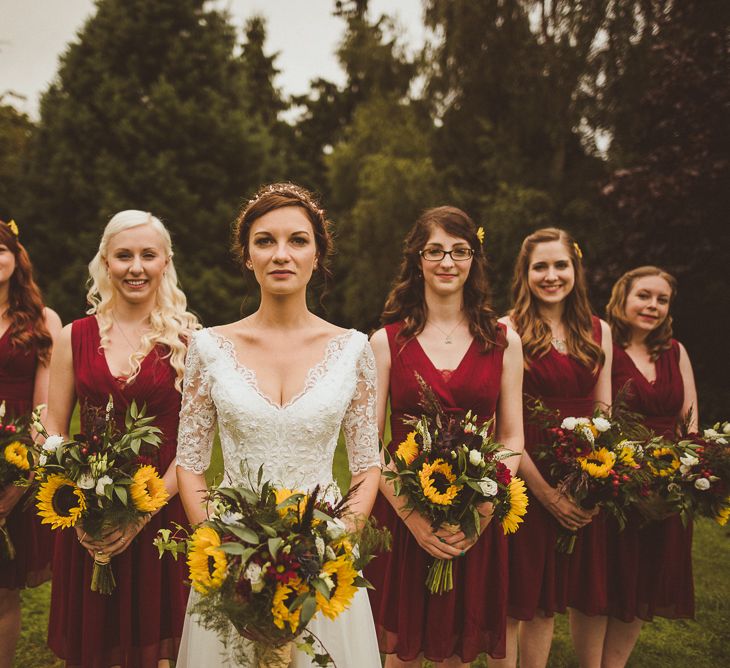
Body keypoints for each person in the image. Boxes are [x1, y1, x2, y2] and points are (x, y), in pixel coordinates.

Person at [174, 183, 382, 667]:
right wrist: (222, 553)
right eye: (265, 241)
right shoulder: (208, 348)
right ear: (247, 256)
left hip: (323, 557)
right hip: (233, 557)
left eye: (298, 240)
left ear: (317, 255)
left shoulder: (354, 349)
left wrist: (331, 549)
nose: (281, 254)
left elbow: (368, 466)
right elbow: (189, 463)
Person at [366, 206, 525, 667]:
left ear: (474, 259)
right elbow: (369, 444)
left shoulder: (503, 341)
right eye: (434, 251)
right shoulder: (386, 341)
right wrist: (413, 515)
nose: (447, 262)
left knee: (459, 645)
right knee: (401, 649)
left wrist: (485, 503)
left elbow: (512, 435)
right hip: (403, 511)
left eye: (459, 251)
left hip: (475, 512)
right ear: (417, 259)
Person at [44, 210, 199, 667]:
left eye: (148, 255)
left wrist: (137, 517)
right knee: (96, 644)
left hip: (161, 511)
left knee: (156, 649)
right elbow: (53, 427)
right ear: (105, 263)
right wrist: (76, 507)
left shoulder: (190, 343)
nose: (136, 267)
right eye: (124, 256)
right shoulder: (74, 337)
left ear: (165, 262)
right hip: (88, 518)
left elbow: (194, 446)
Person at [497, 228, 612, 668]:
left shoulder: (598, 330)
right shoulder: (507, 330)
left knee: (553, 602)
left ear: (575, 269)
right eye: (539, 266)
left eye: (560, 264)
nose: (551, 275)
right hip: (527, 475)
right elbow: (502, 424)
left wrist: (594, 482)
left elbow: (605, 415)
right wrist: (544, 494)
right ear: (524, 274)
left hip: (583, 476)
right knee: (520, 596)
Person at [602, 266, 697, 668]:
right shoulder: (604, 345)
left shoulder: (675, 351)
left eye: (661, 299)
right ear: (622, 297)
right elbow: (599, 412)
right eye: (643, 295)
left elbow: (690, 417)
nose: (652, 306)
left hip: (668, 484)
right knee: (605, 582)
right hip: (617, 481)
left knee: (645, 581)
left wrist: (692, 470)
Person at [0, 218, 62, 668]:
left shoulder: (43, 321)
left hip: (14, 457)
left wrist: (18, 482)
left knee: (3, 587)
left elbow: (44, 410)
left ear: (15, 257)